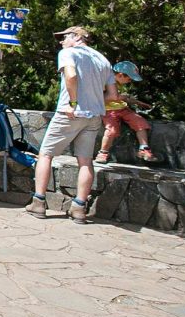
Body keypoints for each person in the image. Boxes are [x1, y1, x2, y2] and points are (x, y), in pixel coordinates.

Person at [26, 26, 118, 223]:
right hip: (93, 116)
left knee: (46, 154)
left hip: (70, 113)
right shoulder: (103, 60)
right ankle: (79, 207)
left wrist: (74, 102)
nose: (61, 41)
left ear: (77, 37)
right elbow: (113, 96)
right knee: (85, 161)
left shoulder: (68, 53)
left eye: (64, 37)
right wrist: (93, 100)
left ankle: (39, 202)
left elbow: (71, 75)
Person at [95, 60, 156, 164]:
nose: (130, 81)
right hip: (109, 111)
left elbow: (122, 99)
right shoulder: (105, 83)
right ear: (120, 75)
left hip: (123, 109)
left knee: (140, 122)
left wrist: (139, 103)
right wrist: (120, 97)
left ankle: (144, 148)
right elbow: (99, 97)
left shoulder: (118, 83)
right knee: (112, 130)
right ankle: (103, 153)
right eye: (129, 78)